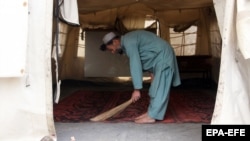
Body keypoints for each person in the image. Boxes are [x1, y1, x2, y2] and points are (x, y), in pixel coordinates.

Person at [100, 30, 181, 124]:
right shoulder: (127, 43)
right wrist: (152, 73)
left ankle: (152, 116)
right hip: (158, 59)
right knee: (155, 87)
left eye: (111, 49)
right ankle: (151, 112)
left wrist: (137, 89)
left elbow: (135, 64)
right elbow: (146, 55)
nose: (113, 52)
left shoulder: (129, 41)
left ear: (115, 41)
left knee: (160, 88)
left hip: (163, 57)